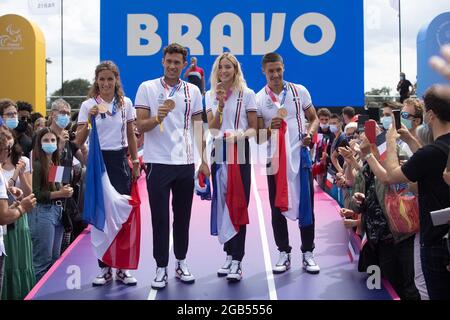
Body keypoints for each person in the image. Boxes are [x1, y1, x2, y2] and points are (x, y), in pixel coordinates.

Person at [135, 43, 208, 290]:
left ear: (183, 64)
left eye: (178, 62)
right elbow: (140, 126)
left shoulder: (193, 91)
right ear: (162, 62)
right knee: (160, 218)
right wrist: (158, 118)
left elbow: (199, 128)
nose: (173, 66)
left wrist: (204, 160)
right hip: (157, 163)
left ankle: (181, 261)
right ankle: (160, 266)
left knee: (183, 217)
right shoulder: (147, 87)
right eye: (169, 61)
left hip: (185, 163)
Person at [76, 61, 140, 286]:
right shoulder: (87, 105)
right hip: (97, 163)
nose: (105, 83)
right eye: (101, 79)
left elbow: (131, 135)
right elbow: (78, 140)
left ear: (116, 80)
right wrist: (89, 120)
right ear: (96, 81)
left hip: (119, 162)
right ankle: (104, 267)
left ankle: (122, 268)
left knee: (122, 214)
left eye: (109, 79)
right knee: (101, 216)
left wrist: (135, 161)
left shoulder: (126, 103)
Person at [383, 85, 450, 299]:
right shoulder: (433, 152)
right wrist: (412, 142)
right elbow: (427, 163)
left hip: (437, 244)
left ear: (429, 115)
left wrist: (390, 140)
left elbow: (391, 175)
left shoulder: (431, 153)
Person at [256, 52, 320, 275]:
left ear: (283, 67)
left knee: (306, 206)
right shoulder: (258, 99)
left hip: (300, 157)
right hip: (274, 161)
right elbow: (256, 136)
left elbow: (314, 119)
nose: (275, 74)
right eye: (270, 71)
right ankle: (283, 252)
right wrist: (268, 128)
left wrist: (310, 134)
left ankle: (308, 252)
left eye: (278, 69)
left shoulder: (298, 91)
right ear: (263, 71)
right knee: (276, 208)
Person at [205, 52, 257, 282]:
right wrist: (218, 103)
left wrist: (239, 136)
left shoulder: (247, 94)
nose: (225, 71)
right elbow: (213, 127)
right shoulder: (209, 95)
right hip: (219, 150)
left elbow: (254, 128)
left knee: (239, 203)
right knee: (223, 202)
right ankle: (228, 254)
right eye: (221, 67)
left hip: (241, 150)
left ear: (236, 70)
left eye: (229, 67)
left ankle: (238, 258)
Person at [28, 128, 74, 281]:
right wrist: (60, 193)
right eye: (46, 140)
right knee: (42, 262)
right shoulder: (38, 164)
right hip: (43, 212)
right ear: (39, 143)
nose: (50, 143)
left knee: (55, 259)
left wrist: (65, 190)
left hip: (58, 211)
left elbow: (59, 185)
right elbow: (37, 194)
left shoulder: (55, 161)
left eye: (53, 140)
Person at [0, 130, 36, 298]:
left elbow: (30, 192)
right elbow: (3, 216)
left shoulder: (25, 162)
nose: (8, 147)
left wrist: (17, 202)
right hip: (9, 219)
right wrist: (22, 207)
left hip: (16, 219)